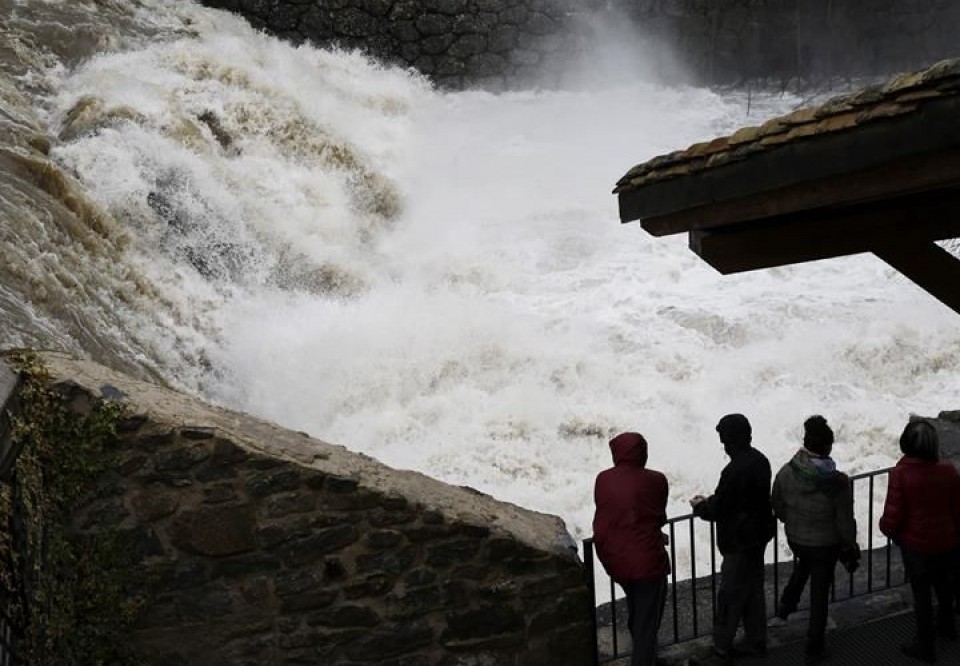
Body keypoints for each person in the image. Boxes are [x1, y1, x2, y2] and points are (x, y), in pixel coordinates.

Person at [771, 415, 860, 664]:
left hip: (797, 539)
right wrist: (849, 546)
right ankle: (814, 647)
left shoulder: (787, 471)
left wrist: (791, 519)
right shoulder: (838, 483)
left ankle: (786, 605)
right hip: (825, 544)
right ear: (828, 447)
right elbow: (844, 522)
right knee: (819, 595)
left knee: (805, 563)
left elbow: (776, 502)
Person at [690, 413, 775, 661]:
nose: (723, 445)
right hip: (758, 537)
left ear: (730, 440)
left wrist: (700, 507)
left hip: (739, 542)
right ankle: (756, 640)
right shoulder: (760, 460)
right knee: (753, 592)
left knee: (730, 595)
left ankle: (722, 647)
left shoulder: (734, 470)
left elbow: (722, 507)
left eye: (723, 439)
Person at [880, 419, 960, 663]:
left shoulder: (901, 474)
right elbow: (957, 509)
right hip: (947, 542)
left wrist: (887, 529)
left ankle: (926, 648)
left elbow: (894, 514)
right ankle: (948, 627)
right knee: (944, 587)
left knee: (922, 597)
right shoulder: (948, 471)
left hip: (917, 547)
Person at [593, 432, 670, 666]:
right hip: (646, 561)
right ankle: (645, 660)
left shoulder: (603, 478)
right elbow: (657, 516)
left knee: (638, 610)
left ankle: (648, 656)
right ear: (642, 454)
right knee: (646, 620)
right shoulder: (656, 479)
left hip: (613, 558)